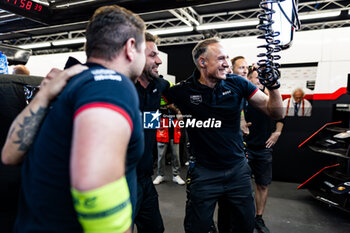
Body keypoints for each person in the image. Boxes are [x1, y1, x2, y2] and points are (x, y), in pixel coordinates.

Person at [2, 5, 146, 233]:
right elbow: (94, 182)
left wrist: (44, 95)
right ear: (130, 47)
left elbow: (9, 154)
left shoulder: (68, 85)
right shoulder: (112, 83)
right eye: (144, 51)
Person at [162, 37, 284, 233]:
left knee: (243, 227)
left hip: (237, 171)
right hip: (204, 173)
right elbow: (151, 103)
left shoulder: (237, 83)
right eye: (220, 59)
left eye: (227, 58)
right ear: (202, 62)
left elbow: (276, 112)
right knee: (197, 229)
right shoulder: (183, 91)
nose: (227, 63)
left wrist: (274, 86)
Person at [134, 32, 168, 233]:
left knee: (155, 229)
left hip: (145, 177)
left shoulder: (159, 86)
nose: (159, 60)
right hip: (118, 182)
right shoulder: (118, 87)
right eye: (152, 55)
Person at [244, 67, 284, 233]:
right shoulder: (242, 97)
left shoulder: (269, 98)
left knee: (263, 185)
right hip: (244, 147)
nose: (260, 81)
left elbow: (281, 118)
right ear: (249, 79)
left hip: (263, 149)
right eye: (256, 78)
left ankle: (258, 218)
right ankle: (244, 218)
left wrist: (277, 132)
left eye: (262, 78)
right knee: (240, 186)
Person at [153, 102, 186, 185]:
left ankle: (176, 175)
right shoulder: (159, 96)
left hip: (174, 128)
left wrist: (175, 109)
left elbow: (181, 112)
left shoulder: (175, 96)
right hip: (162, 128)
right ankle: (160, 175)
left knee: (176, 155)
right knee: (161, 155)